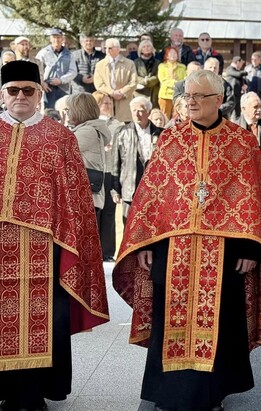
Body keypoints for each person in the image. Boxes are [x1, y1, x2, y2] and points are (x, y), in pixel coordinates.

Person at [112, 69, 261, 411]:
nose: (189, 102)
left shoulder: (242, 141)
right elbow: (151, 196)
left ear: (218, 100)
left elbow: (256, 199)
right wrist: (145, 242)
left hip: (225, 250)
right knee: (168, 319)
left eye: (197, 96)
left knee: (220, 321)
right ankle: (168, 392)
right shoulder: (170, 140)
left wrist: (251, 246)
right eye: (186, 96)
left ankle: (213, 393)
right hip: (172, 248)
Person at [0, 60, 109, 411]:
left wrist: (69, 250)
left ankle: (31, 396)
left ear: (39, 93)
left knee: (43, 322)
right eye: (13, 90)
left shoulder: (59, 137)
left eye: (27, 90)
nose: (20, 96)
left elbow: (76, 200)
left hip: (45, 251)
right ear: (3, 94)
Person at [110, 96, 163, 221]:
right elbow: (115, 161)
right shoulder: (122, 132)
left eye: (140, 110)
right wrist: (115, 189)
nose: (137, 114)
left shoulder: (161, 133)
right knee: (128, 225)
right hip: (130, 187)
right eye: (134, 110)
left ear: (148, 112)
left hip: (154, 188)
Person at [66, 92, 113, 221]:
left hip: (84, 198)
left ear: (78, 110)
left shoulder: (87, 132)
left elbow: (60, 152)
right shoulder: (88, 129)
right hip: (85, 198)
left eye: (68, 109)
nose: (67, 113)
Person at [93, 91, 123, 261]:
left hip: (111, 172)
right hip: (95, 173)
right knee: (95, 212)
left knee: (110, 213)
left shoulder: (118, 125)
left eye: (110, 103)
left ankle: (108, 251)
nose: (109, 106)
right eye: (105, 103)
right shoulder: (90, 125)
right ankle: (94, 250)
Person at [93, 38, 138, 123]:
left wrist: (122, 93)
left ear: (118, 49)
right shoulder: (100, 65)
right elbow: (99, 84)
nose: (107, 50)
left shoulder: (129, 63)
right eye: (106, 48)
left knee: (125, 128)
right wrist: (112, 93)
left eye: (110, 48)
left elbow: (133, 82)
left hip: (124, 102)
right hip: (107, 102)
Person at [36, 28, 77, 109]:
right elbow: (37, 69)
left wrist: (61, 80)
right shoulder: (43, 53)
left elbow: (73, 71)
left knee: (64, 111)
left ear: (62, 39)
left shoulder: (69, 54)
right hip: (48, 89)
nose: (56, 40)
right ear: (50, 39)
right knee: (49, 113)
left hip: (64, 89)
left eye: (58, 37)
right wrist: (42, 83)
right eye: (54, 37)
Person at [158, 47, 187, 119]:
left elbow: (185, 80)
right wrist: (176, 83)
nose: (173, 55)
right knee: (165, 116)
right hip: (165, 95)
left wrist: (177, 84)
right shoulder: (162, 66)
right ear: (166, 55)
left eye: (175, 53)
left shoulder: (182, 67)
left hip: (178, 95)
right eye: (170, 53)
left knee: (177, 116)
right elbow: (163, 80)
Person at [134, 39, 161, 109]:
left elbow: (158, 76)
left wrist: (148, 81)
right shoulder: (135, 62)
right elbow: (134, 76)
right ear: (140, 49)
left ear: (152, 49)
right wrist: (144, 81)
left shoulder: (158, 62)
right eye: (144, 47)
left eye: (148, 46)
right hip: (139, 93)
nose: (146, 48)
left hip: (153, 94)